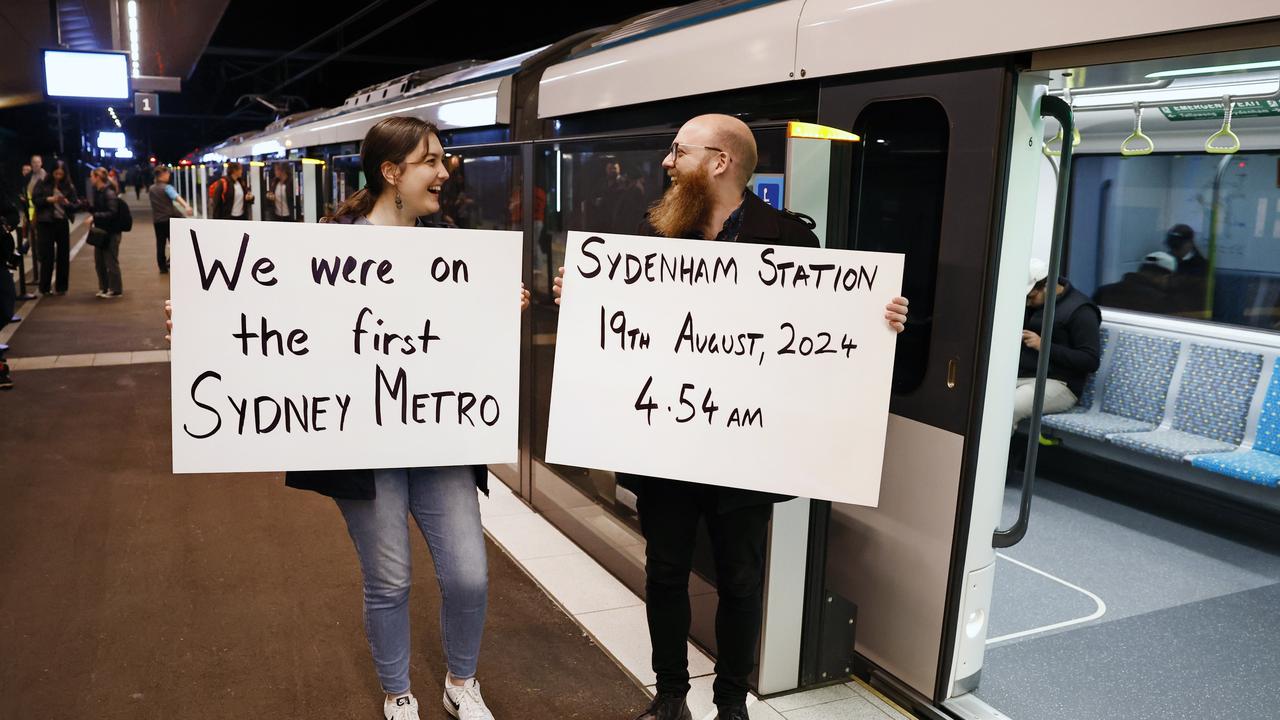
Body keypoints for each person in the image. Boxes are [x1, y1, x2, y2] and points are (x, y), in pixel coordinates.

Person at [165, 116, 531, 720]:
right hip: (363, 448)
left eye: (443, 161)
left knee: (469, 574)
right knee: (390, 581)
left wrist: (498, 311)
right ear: (392, 173)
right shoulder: (327, 247)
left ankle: (461, 684)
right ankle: (398, 692)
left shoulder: (454, 248)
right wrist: (201, 323)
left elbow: (457, 345)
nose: (445, 172)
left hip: (438, 438)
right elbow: (267, 328)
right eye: (431, 161)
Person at [553, 114, 908, 720]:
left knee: (742, 578)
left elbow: (819, 337)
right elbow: (627, 325)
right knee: (665, 570)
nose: (667, 162)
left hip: (747, 447)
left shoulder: (792, 241)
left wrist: (878, 321)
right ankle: (670, 696)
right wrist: (581, 296)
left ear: (719, 163)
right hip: (665, 441)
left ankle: (731, 702)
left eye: (678, 151)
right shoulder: (653, 232)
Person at [1014, 258, 1101, 431]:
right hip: (1022, 375)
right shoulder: (1031, 306)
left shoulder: (1081, 310)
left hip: (1060, 383)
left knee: (1009, 407)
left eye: (1030, 298)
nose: (1027, 304)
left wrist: (1044, 347)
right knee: (982, 399)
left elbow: (1090, 360)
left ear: (1047, 286)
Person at [31, 162, 79, 296]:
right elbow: (36, 200)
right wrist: (49, 199)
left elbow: (76, 205)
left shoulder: (69, 186)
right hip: (45, 223)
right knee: (47, 256)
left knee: (63, 255)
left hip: (61, 222)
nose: (58, 176)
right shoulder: (42, 183)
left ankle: (61, 287)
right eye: (56, 173)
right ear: (51, 172)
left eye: (61, 174)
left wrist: (67, 203)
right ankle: (45, 288)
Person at [88, 167, 125, 299]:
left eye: (92, 176)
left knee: (110, 261)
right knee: (100, 262)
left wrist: (95, 216)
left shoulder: (108, 193)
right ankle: (104, 287)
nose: (90, 179)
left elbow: (112, 212)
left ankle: (115, 289)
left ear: (98, 177)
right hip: (102, 232)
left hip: (111, 232)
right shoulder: (98, 191)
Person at [149, 166, 193, 273]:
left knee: (160, 244)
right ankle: (173, 262)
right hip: (169, 219)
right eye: (168, 174)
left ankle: (162, 267)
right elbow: (177, 197)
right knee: (175, 242)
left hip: (157, 220)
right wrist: (187, 206)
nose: (169, 176)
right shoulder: (167, 187)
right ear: (162, 175)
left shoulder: (151, 188)